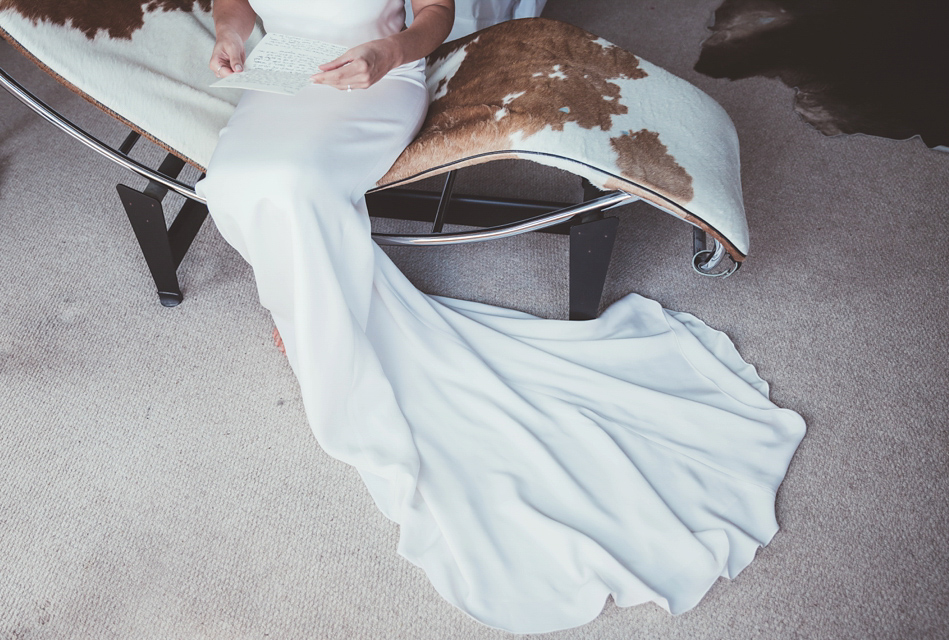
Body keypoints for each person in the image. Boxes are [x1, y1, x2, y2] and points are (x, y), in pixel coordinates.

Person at [195, 0, 807, 633]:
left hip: (377, 79)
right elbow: (236, 5)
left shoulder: (392, 55)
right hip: (283, 72)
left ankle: (315, 309)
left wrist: (390, 52)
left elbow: (436, 13)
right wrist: (229, 37)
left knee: (294, 185)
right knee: (236, 182)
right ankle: (312, 301)